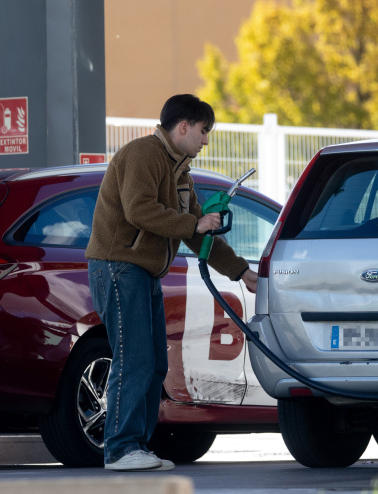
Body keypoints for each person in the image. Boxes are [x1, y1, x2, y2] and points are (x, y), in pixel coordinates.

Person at [85, 94, 257, 472]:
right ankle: (120, 449)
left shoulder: (180, 171)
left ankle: (136, 448)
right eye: (203, 131)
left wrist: (242, 272)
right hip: (118, 267)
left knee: (154, 364)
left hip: (141, 271)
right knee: (135, 361)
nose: (205, 140)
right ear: (183, 127)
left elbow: (198, 233)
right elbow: (139, 209)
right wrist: (193, 224)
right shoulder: (143, 154)